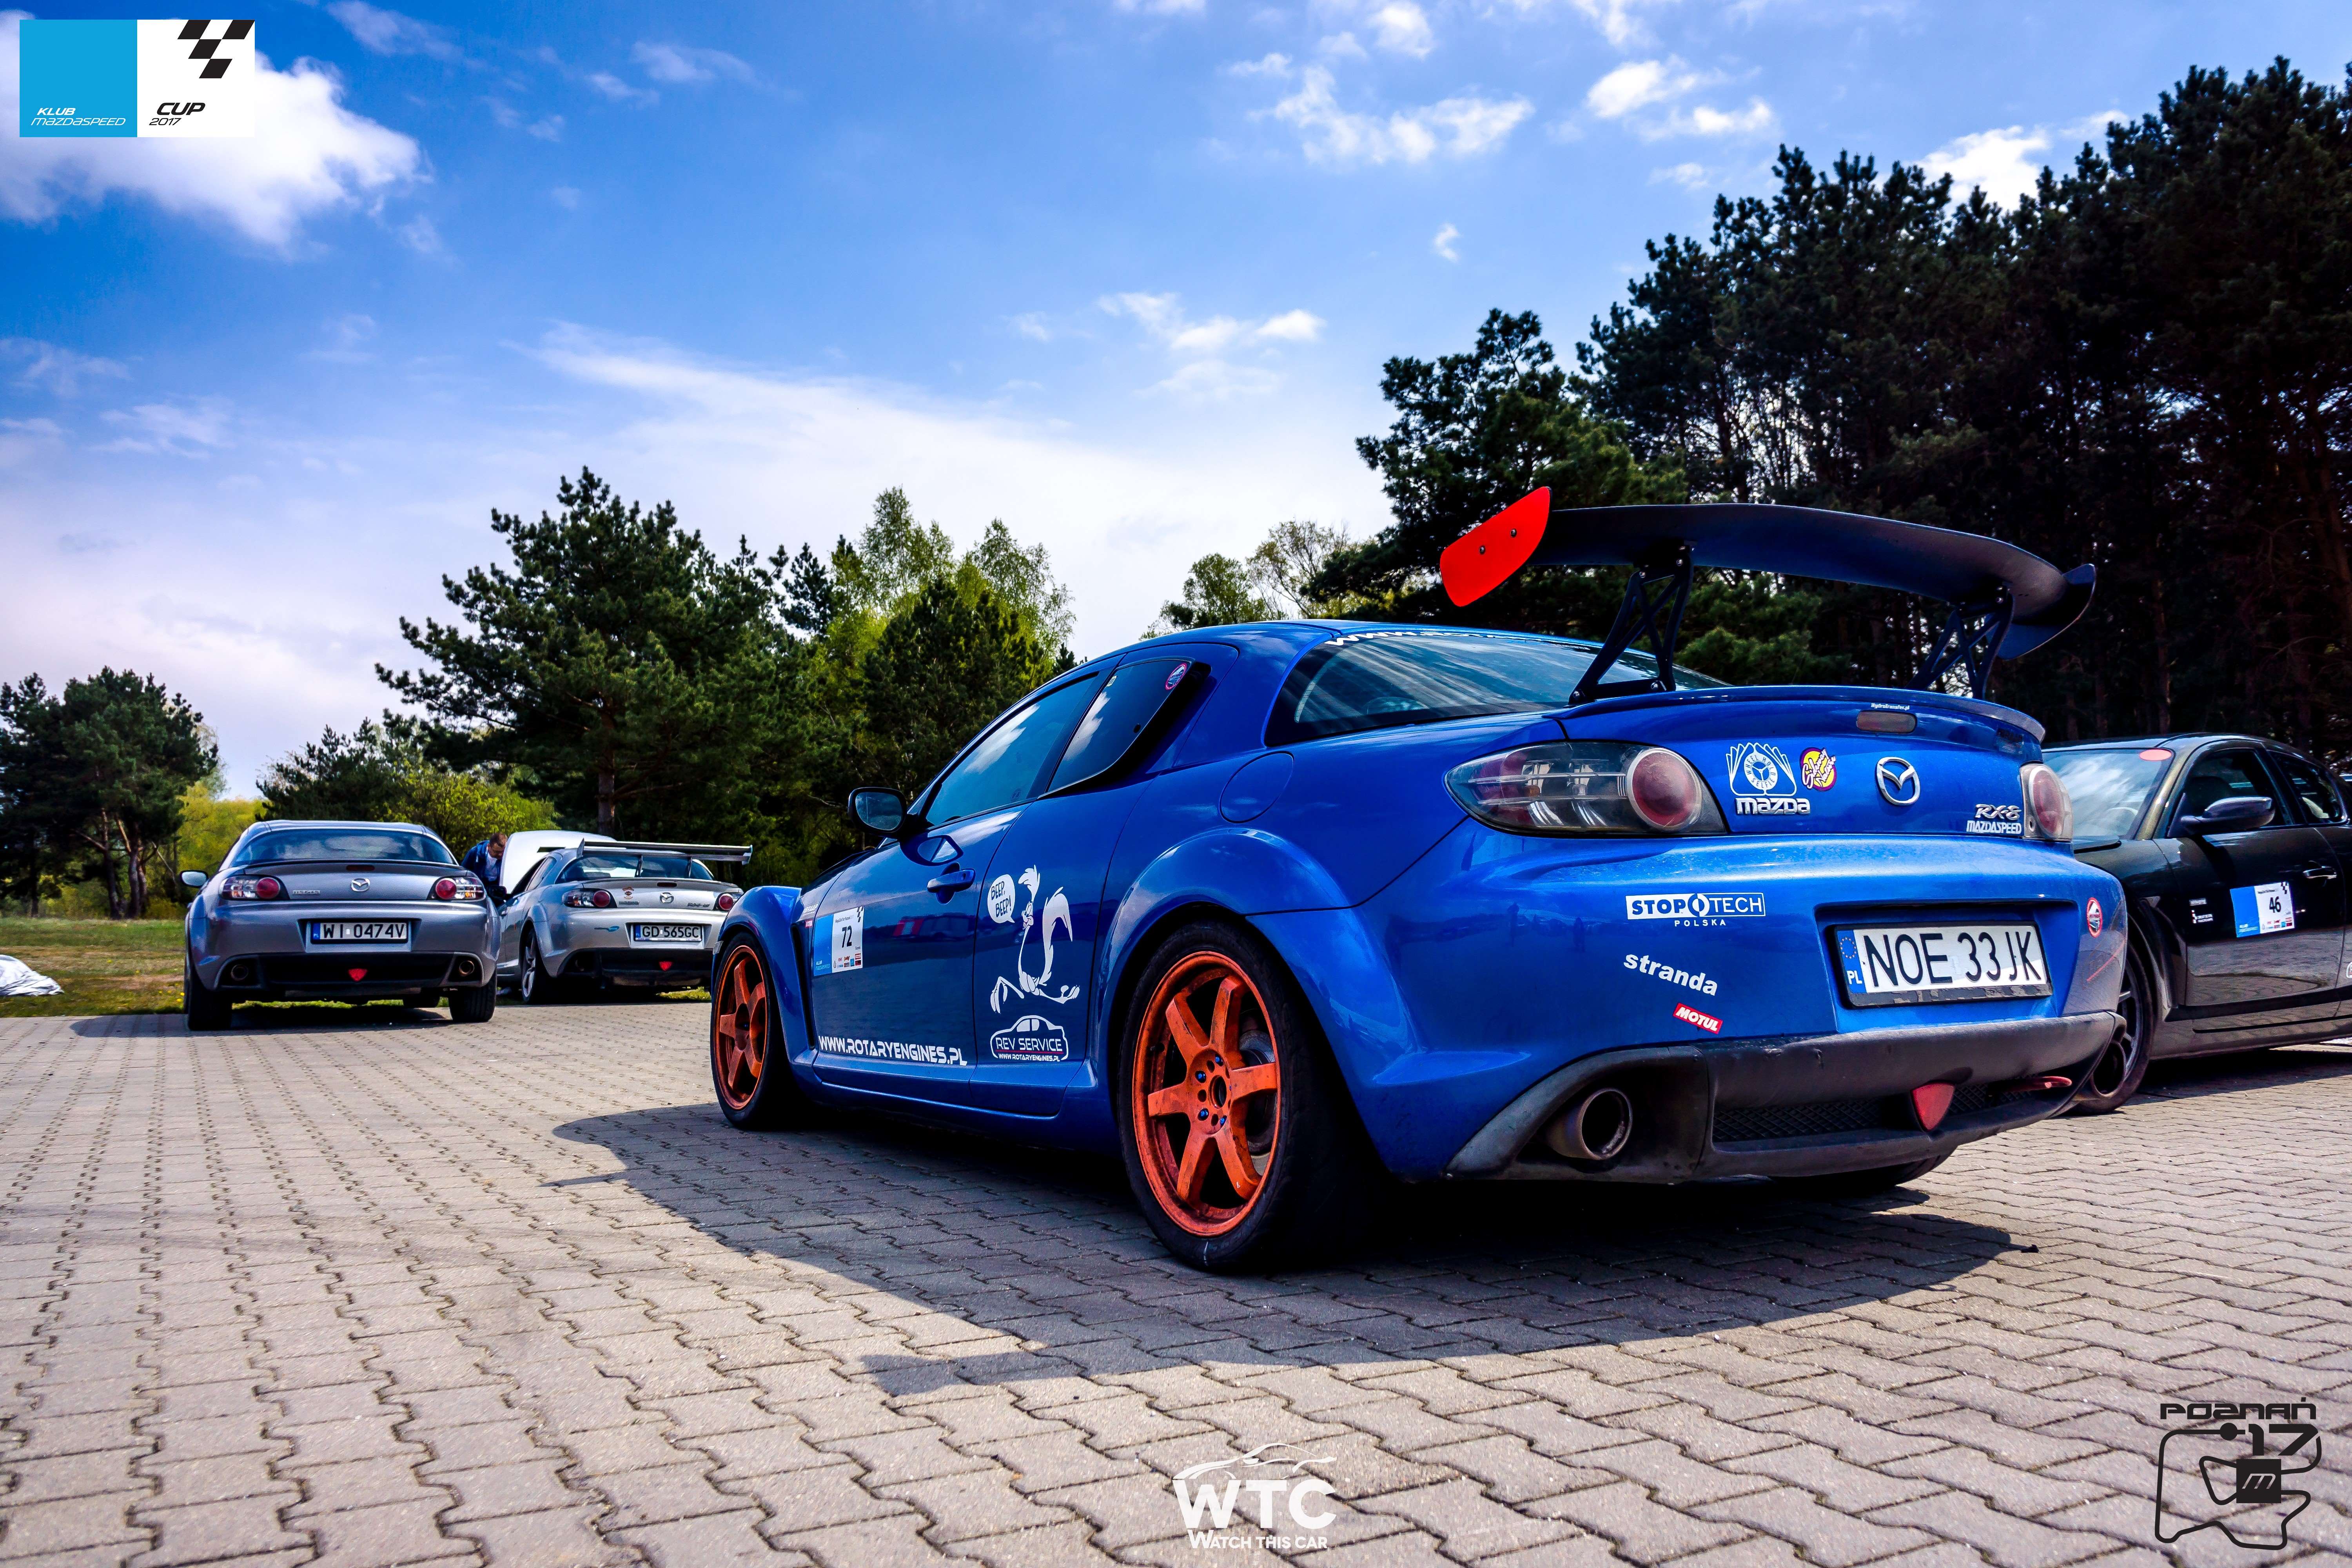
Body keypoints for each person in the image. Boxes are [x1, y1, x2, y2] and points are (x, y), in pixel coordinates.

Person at [462, 831, 508, 901]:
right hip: (479, 889)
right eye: (497, 852)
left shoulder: (508, 855)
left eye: (503, 851)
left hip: (499, 889)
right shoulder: (475, 853)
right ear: (489, 847)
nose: (501, 855)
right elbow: (464, 872)